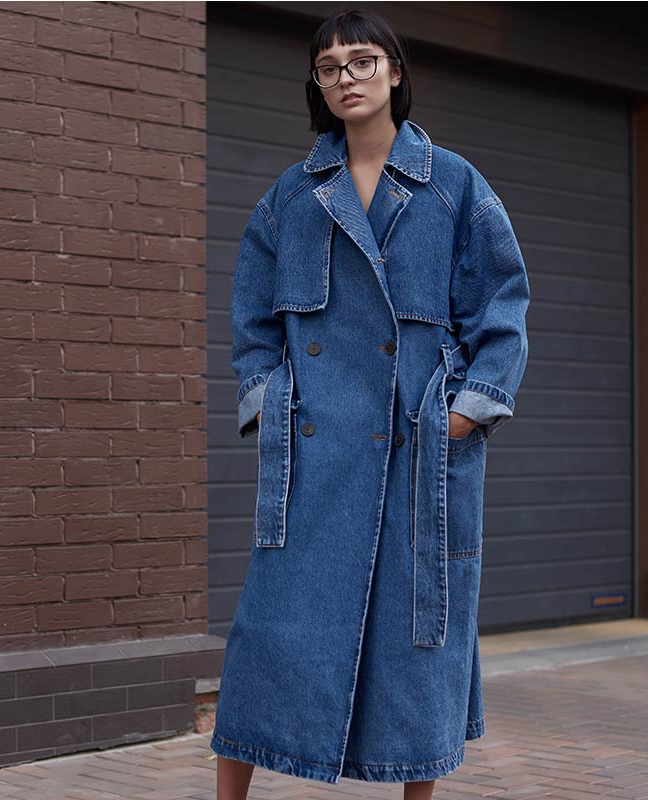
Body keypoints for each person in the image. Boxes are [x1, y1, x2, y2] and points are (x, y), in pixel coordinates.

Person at [211, 9, 530, 800]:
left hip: (418, 451)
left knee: (417, 640)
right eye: (329, 68)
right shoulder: (291, 197)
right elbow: (252, 323)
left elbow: (502, 307)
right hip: (313, 458)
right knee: (267, 635)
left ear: (394, 70)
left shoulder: (453, 185)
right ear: (317, 86)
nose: (345, 78)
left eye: (361, 61)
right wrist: (273, 405)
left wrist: (465, 412)